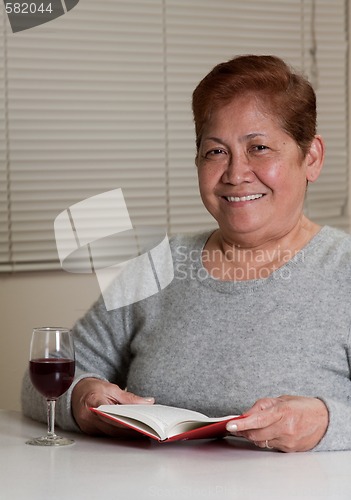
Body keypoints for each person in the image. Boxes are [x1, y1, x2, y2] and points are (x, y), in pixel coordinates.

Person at [22, 55, 351, 452]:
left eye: (259, 147)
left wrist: (328, 422)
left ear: (311, 157)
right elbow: (42, 384)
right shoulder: (157, 265)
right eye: (216, 152)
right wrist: (84, 398)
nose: (235, 173)